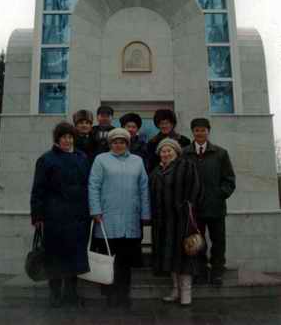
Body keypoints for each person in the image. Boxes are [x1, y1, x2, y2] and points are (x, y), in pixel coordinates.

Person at [30, 121, 90, 308]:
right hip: (54, 216)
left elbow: (88, 185)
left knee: (75, 256)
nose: (67, 140)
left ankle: (71, 294)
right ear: (57, 139)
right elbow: (38, 190)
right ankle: (55, 295)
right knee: (54, 257)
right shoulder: (46, 159)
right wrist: (37, 217)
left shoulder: (82, 157)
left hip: (78, 216)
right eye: (64, 137)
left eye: (70, 137)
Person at [89, 128, 151, 307]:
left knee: (125, 261)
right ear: (110, 144)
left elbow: (143, 188)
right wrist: (95, 210)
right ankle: (110, 294)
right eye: (115, 141)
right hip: (107, 218)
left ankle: (124, 294)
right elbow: (93, 186)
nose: (118, 145)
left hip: (130, 218)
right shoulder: (101, 160)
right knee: (109, 259)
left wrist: (145, 214)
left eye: (122, 142)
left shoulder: (137, 161)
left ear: (127, 144)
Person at [183, 118, 236, 286]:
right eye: (196, 130)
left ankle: (217, 272)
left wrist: (220, 194)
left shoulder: (220, 153)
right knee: (197, 242)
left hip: (215, 207)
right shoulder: (185, 153)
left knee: (218, 241)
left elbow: (229, 180)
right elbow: (181, 179)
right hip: (194, 208)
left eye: (203, 130)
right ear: (193, 132)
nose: (199, 133)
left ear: (208, 131)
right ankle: (199, 271)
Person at [150, 138, 202, 306]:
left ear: (176, 152)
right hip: (163, 221)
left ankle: (186, 291)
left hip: (182, 220)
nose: (165, 154)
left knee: (184, 255)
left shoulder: (186, 166)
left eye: (169, 150)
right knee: (169, 256)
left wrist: (187, 208)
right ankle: (175, 289)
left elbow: (195, 189)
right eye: (163, 151)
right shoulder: (155, 171)